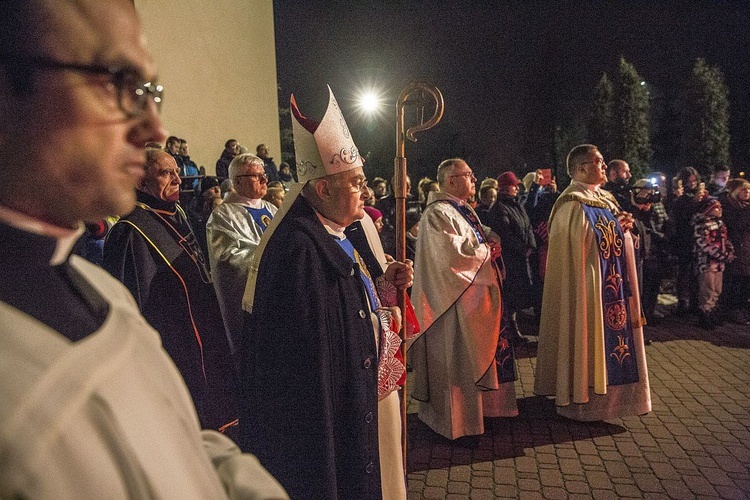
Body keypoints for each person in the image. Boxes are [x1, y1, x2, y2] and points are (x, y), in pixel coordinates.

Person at [0, 1, 287, 498]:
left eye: (150, 92)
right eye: (121, 83)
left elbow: (177, 445)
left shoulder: (96, 292)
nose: (156, 129)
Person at [240, 87, 413, 500]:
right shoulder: (299, 249)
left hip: (361, 385)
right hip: (331, 410)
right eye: (356, 183)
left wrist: (386, 288)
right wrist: (375, 325)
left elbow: (352, 296)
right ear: (323, 190)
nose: (365, 192)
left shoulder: (332, 231)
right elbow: (308, 352)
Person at [104, 149, 239, 433]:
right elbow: (134, 302)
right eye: (165, 173)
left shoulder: (174, 211)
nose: (177, 179)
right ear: (141, 183)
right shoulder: (130, 230)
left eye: (177, 171)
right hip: (173, 343)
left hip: (202, 332)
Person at [534, 144, 651, 421]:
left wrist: (626, 228)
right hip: (588, 291)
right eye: (598, 161)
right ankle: (584, 401)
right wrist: (615, 230)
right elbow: (578, 249)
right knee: (588, 336)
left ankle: (619, 400)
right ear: (581, 168)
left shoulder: (606, 198)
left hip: (614, 287)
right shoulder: (571, 204)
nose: (603, 165)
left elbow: (618, 236)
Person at [409, 158, 518, 440]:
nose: (473, 179)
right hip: (453, 303)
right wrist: (484, 251)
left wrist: (490, 237)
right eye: (468, 175)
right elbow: (451, 257)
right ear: (450, 180)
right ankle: (458, 422)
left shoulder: (461, 209)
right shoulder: (437, 214)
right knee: (457, 361)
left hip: (476, 297)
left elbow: (475, 235)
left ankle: (485, 411)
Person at [207, 153, 277, 354]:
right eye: (257, 176)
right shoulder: (223, 215)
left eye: (264, 174)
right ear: (238, 181)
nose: (265, 179)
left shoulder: (271, 208)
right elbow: (227, 260)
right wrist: (274, 255)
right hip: (251, 302)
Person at [485, 171, 537, 342]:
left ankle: (513, 331)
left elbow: (527, 225)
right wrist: (523, 249)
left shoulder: (514, 205)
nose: (517, 189)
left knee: (517, 297)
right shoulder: (499, 208)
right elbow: (505, 234)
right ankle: (509, 333)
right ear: (508, 187)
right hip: (510, 260)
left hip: (521, 258)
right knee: (510, 296)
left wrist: (531, 245)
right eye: (515, 186)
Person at [691, 197, 734, 329]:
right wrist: (721, 255)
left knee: (717, 289)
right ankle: (704, 314)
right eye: (717, 208)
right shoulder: (701, 224)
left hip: (719, 263)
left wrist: (729, 250)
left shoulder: (720, 224)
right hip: (707, 263)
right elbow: (704, 244)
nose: (720, 210)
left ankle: (712, 313)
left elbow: (725, 240)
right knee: (707, 290)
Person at [719, 179, 750, 324]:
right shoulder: (728, 206)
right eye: (743, 189)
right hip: (735, 247)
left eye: (748, 190)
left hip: (746, 249)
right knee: (733, 281)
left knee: (745, 281)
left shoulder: (745, 207)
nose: (747, 193)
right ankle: (730, 310)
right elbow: (735, 225)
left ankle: (741, 309)